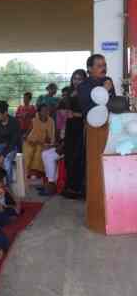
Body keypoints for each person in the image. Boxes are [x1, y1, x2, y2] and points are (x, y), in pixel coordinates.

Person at [78, 54, 115, 233]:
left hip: (110, 128)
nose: (103, 68)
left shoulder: (108, 81)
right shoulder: (84, 86)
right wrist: (104, 90)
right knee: (96, 170)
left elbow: (113, 103)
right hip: (94, 131)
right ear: (90, 68)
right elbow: (86, 107)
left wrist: (109, 92)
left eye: (104, 64)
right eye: (99, 65)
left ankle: (111, 208)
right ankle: (95, 214)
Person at [62, 69, 88, 199]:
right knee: (69, 155)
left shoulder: (86, 93)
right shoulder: (69, 92)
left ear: (84, 80)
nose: (76, 81)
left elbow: (88, 113)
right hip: (70, 127)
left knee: (78, 157)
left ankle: (78, 188)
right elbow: (64, 108)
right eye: (74, 78)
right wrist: (65, 113)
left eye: (79, 79)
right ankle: (70, 186)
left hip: (80, 127)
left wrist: (75, 114)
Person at [23, 104, 55, 177]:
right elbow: (27, 133)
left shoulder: (51, 121)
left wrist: (47, 139)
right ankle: (27, 172)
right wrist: (26, 138)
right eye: (43, 110)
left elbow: (50, 138)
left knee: (39, 150)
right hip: (31, 141)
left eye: (47, 110)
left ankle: (36, 172)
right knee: (29, 150)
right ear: (39, 112)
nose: (45, 112)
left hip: (43, 143)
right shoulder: (34, 120)